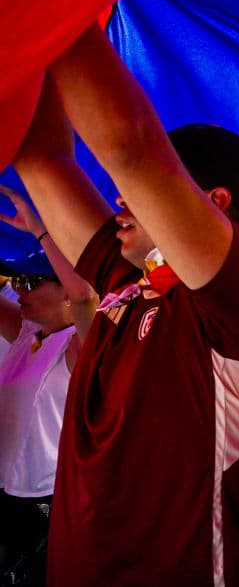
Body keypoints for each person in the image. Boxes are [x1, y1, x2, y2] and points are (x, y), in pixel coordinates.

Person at [12, 26, 239, 585]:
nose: (120, 197)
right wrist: (26, 29)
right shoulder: (128, 283)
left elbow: (130, 149)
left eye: (148, 190)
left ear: (214, 204)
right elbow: (41, 158)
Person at [0, 187, 96, 586]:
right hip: (5, 492)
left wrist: (42, 231)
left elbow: (87, 297)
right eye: (18, 281)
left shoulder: (79, 346)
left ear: (66, 294)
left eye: (31, 281)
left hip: (44, 499)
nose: (19, 290)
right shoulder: (27, 332)